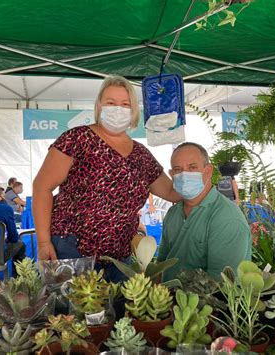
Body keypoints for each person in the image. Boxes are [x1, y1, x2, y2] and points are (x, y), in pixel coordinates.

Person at [33, 75, 181, 283]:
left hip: (119, 260)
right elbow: (42, 187)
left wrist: (190, 173)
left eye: (125, 104)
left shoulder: (141, 154)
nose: (117, 109)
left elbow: (170, 191)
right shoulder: (77, 139)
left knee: (117, 313)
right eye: (111, 103)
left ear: (133, 110)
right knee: (73, 313)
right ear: (99, 105)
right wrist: (43, 242)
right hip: (72, 250)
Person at [157, 142, 252, 282]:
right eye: (178, 169)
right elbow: (162, 264)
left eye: (192, 167)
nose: (184, 175)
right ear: (171, 175)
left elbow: (220, 284)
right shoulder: (173, 213)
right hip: (166, 299)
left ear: (208, 171)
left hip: (209, 301)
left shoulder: (227, 218)